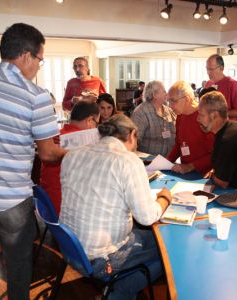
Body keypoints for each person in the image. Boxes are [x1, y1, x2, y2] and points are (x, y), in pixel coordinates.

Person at [59, 114, 171, 299]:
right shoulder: (128, 160)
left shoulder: (73, 154)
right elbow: (147, 217)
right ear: (132, 134)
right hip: (101, 259)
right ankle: (117, 292)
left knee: (149, 236)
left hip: (71, 248)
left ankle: (113, 289)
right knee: (168, 251)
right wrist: (164, 199)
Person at [0, 23, 67, 300]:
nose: (39, 66)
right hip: (12, 199)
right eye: (40, 60)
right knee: (17, 265)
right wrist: (73, 152)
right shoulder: (35, 96)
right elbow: (48, 154)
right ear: (26, 56)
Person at [40, 101, 99, 215]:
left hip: (48, 207)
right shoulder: (84, 141)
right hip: (66, 212)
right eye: (96, 123)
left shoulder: (56, 137)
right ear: (89, 121)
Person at [167, 81, 214, 175]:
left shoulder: (204, 117)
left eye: (173, 101)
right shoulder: (180, 115)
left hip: (203, 175)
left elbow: (215, 154)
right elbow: (179, 144)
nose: (170, 106)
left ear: (187, 99)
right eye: (169, 101)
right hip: (185, 173)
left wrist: (190, 166)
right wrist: (166, 162)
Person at [132, 80, 176, 156]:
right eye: (164, 91)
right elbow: (134, 141)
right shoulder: (141, 112)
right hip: (149, 162)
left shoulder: (168, 110)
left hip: (169, 160)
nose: (167, 94)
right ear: (155, 94)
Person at [205, 54, 237, 122]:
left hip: (228, 128)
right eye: (207, 69)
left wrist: (219, 114)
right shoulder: (208, 84)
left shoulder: (232, 84)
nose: (208, 72)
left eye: (211, 69)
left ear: (221, 68)